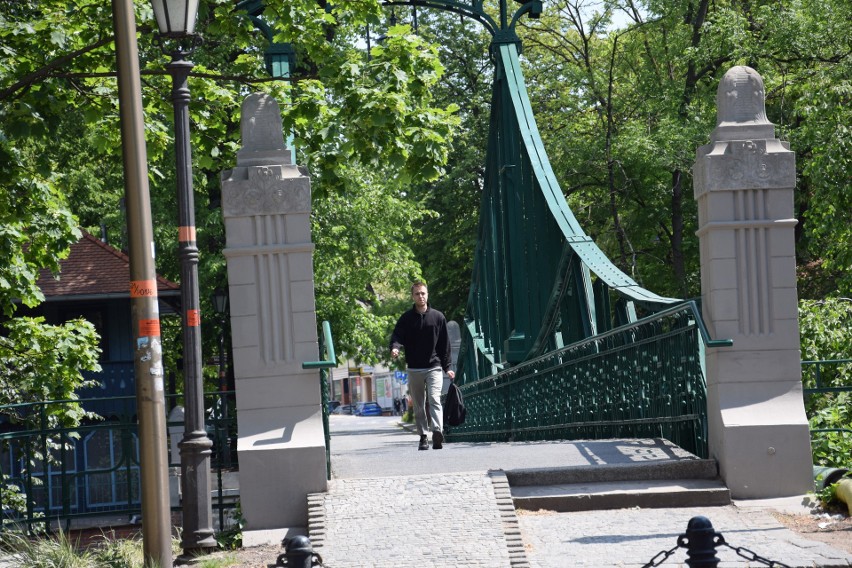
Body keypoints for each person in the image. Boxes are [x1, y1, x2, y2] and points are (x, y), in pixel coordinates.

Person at [390, 281, 455, 450]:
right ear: (413, 296)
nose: (421, 296)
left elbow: (444, 345)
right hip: (414, 368)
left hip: (434, 366)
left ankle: (437, 432)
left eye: (423, 293)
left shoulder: (438, 317)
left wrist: (447, 367)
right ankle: (423, 436)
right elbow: (397, 336)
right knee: (419, 404)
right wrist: (395, 348)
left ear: (428, 295)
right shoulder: (406, 319)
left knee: (434, 399)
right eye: (417, 294)